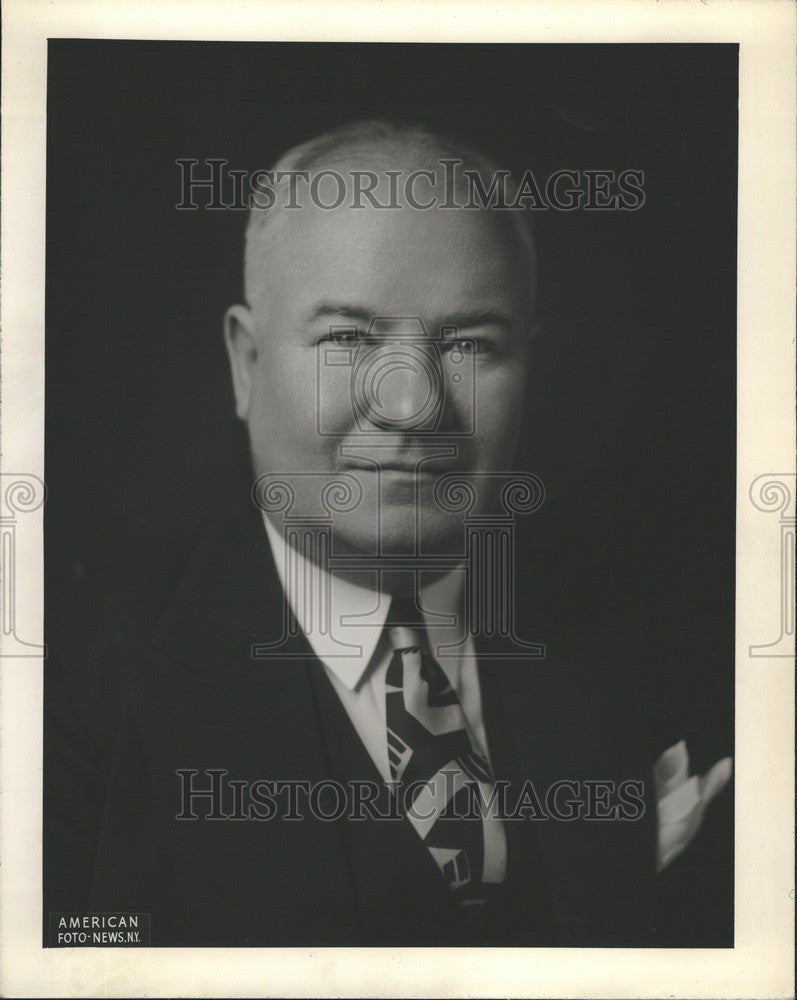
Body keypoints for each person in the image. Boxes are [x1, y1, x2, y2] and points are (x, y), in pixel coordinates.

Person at [44, 120, 731, 947]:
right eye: (347, 340)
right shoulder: (64, 687)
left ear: (531, 371)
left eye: (470, 345)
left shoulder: (675, 655)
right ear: (245, 363)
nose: (411, 408)